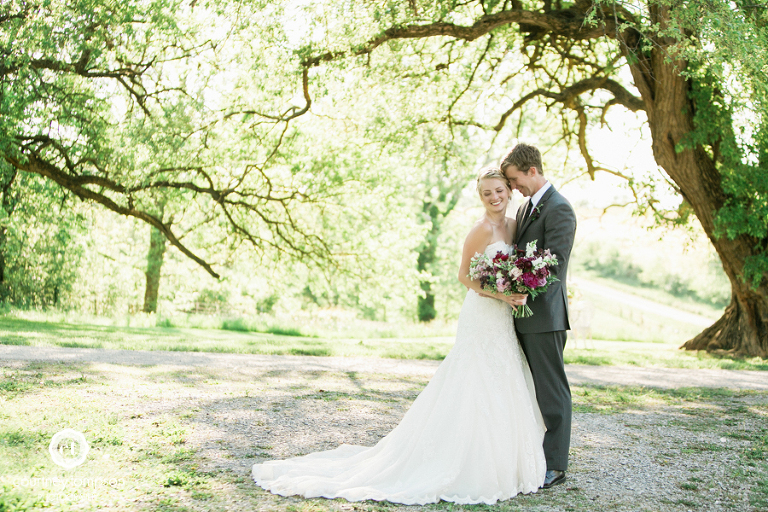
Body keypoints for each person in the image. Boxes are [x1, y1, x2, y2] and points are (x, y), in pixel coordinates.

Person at [251, 167, 547, 505]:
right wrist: (500, 294)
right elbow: (464, 276)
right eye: (486, 193)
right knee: (473, 378)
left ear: (508, 190)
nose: (494, 198)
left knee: (502, 377)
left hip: (503, 317)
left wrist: (516, 287)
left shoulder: (514, 224)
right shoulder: (480, 230)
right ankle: (461, 459)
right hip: (482, 313)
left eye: (499, 191)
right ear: (480, 197)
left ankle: (505, 461)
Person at [500, 143, 577, 489]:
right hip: (521, 314)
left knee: (551, 391)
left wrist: (519, 285)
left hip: (545, 316)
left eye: (515, 180)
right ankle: (533, 457)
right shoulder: (524, 209)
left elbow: (554, 265)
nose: (513, 187)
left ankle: (556, 466)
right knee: (527, 390)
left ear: (532, 170)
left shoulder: (559, 209)